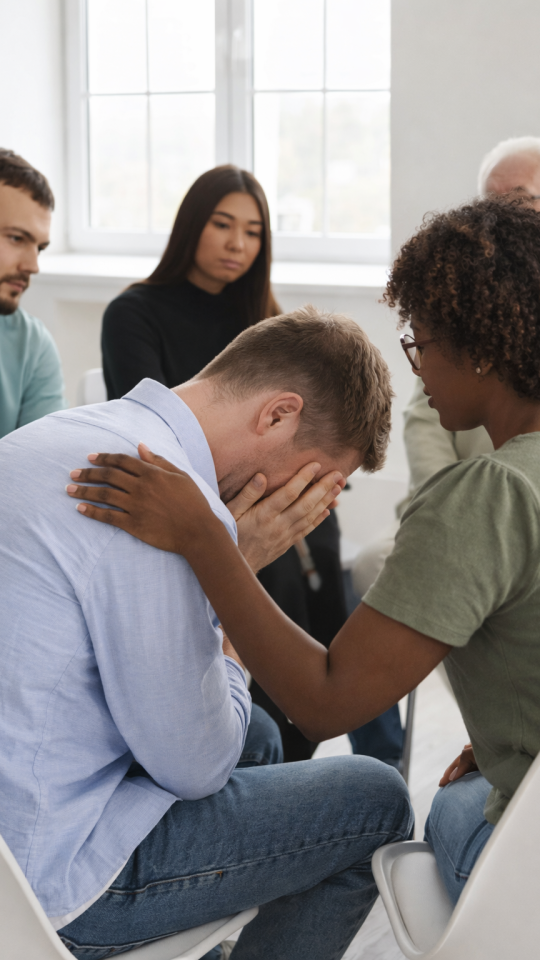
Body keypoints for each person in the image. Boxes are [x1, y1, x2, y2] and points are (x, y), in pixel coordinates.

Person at [76, 197, 540, 912]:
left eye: (417, 341)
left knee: (420, 806)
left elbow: (325, 703)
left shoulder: (487, 493)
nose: (415, 367)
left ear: (482, 344)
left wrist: (209, 538)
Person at [0, 307, 412, 960]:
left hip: (22, 810)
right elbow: (197, 767)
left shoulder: (72, 432)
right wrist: (233, 573)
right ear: (277, 415)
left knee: (260, 736)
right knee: (376, 803)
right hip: (42, 881)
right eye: (310, 480)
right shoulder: (162, 499)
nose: (302, 507)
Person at [102, 164, 348, 762]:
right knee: (282, 564)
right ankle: (266, 739)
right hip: (196, 492)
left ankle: (320, 721)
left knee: (322, 530)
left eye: (254, 231)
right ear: (192, 226)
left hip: (261, 486)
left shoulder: (267, 319)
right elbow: (153, 434)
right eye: (223, 225)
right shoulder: (133, 312)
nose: (238, 244)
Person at [352, 134, 540, 597]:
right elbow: (424, 418)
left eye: (522, 200)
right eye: (492, 204)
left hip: (513, 503)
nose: (505, 218)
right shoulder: (464, 305)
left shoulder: (513, 477)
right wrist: (454, 504)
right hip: (459, 496)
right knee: (372, 563)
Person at [0, 148, 66, 437]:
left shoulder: (33, 345)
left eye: (39, 247)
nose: (33, 265)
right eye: (16, 238)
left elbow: (39, 470)